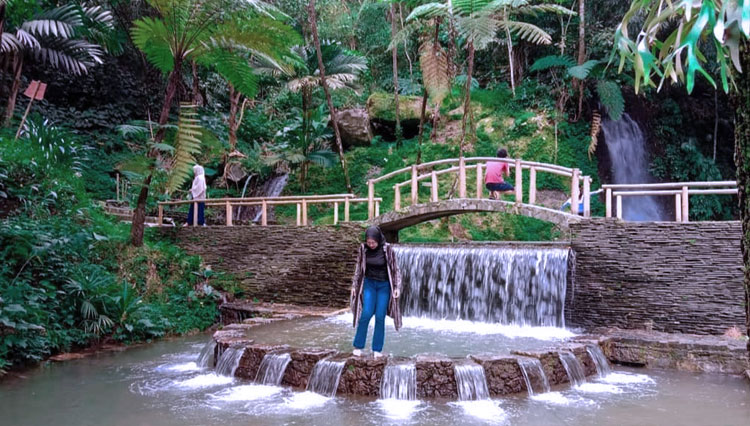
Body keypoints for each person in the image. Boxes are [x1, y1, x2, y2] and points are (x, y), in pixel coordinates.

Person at [350, 226, 402, 358]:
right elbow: (358, 268)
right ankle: (358, 346)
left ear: (378, 240)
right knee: (366, 313)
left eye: (373, 242)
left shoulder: (387, 249)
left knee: (380, 316)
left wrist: (396, 287)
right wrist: (355, 286)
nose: (371, 245)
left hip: (384, 286)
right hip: (369, 284)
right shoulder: (363, 249)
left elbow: (395, 269)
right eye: (369, 242)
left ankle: (377, 349)